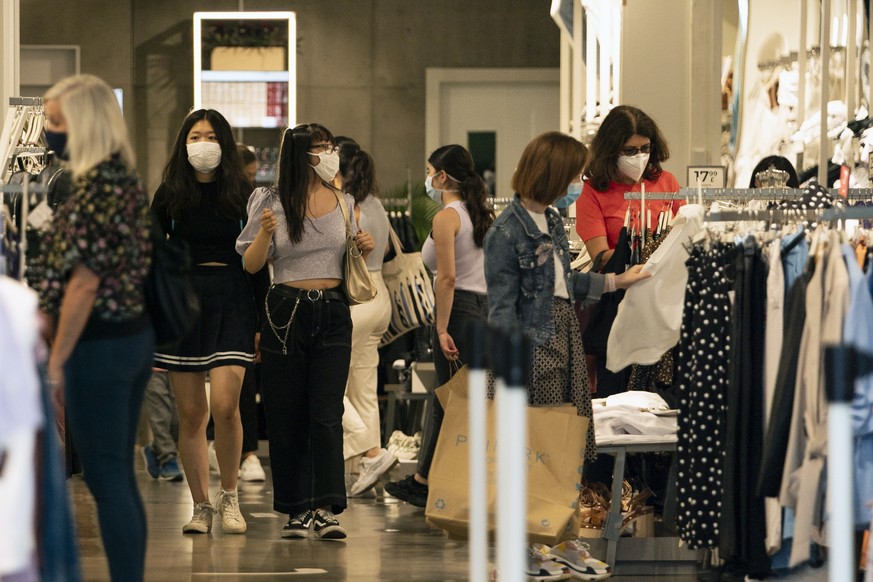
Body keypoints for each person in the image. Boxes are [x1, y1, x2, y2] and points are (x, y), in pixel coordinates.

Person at [483, 131, 649, 524]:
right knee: (531, 448)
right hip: (529, 347)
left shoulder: (552, 220)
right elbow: (501, 308)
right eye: (575, 176)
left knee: (562, 446)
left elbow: (566, 282)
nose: (580, 184)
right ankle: (526, 547)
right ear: (554, 175)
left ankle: (556, 535)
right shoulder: (505, 232)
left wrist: (617, 281)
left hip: (562, 336)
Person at [39, 73, 154, 582]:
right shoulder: (121, 178)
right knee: (115, 478)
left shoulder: (96, 185)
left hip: (99, 346)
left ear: (82, 123)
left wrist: (57, 360)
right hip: (125, 339)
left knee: (106, 478)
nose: (47, 130)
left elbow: (84, 284)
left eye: (54, 120)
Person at [236, 123, 375, 540]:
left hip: (333, 310)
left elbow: (350, 263)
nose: (329, 153)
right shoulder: (269, 200)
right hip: (284, 310)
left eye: (331, 146)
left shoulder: (344, 199)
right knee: (286, 412)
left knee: (327, 413)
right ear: (299, 154)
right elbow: (252, 264)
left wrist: (361, 248)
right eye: (320, 147)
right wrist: (264, 232)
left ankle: (326, 507)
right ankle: (296, 509)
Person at [151, 109, 255, 534]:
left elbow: (259, 260)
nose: (203, 143)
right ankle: (201, 505)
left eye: (211, 136)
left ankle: (229, 496)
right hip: (183, 301)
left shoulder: (243, 193)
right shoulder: (170, 193)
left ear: (224, 143)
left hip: (233, 294)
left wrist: (262, 321)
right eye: (195, 136)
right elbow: (152, 255)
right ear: (184, 143)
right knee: (192, 412)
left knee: (226, 406)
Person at [384, 144, 494, 507]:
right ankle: (433, 478)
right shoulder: (482, 214)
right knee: (459, 399)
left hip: (458, 310)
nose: (429, 178)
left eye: (431, 171)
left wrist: (442, 327)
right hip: (483, 310)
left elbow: (446, 278)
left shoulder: (447, 218)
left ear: (443, 176)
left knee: (449, 399)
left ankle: (428, 480)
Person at [332, 136, 397, 497]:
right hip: (379, 297)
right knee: (363, 389)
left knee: (326, 383)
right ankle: (368, 474)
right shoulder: (375, 203)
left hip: (355, 299)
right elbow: (384, 249)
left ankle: (369, 451)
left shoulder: (347, 204)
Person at [575, 105, 681, 267]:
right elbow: (600, 258)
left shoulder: (667, 182)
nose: (639, 156)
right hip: (618, 283)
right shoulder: (592, 192)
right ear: (610, 150)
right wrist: (640, 254)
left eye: (645, 148)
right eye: (630, 151)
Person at [141, 369, 184, 482]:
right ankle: (168, 459)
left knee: (179, 421)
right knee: (161, 417)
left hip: (177, 368)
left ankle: (155, 449)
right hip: (152, 369)